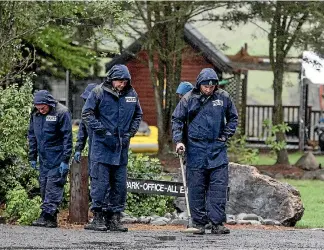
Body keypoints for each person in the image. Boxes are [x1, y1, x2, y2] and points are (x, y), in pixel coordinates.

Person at [172, 68, 238, 235]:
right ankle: (199, 223)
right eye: (205, 86)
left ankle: (217, 223)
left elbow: (233, 118)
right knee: (196, 188)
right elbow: (177, 120)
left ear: (216, 85)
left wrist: (225, 136)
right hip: (196, 149)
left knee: (218, 188)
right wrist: (179, 141)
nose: (208, 89)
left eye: (212, 86)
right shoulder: (188, 99)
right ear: (199, 84)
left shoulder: (223, 97)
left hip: (217, 148)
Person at [82, 64, 143, 232]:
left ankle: (114, 218)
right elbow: (87, 114)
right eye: (119, 81)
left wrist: (130, 132)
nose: (122, 85)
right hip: (102, 147)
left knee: (119, 186)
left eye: (124, 81)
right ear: (111, 79)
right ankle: (98, 217)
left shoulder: (132, 94)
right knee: (100, 184)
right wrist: (101, 131)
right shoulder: (98, 92)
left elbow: (138, 114)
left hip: (121, 148)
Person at [28, 90, 72, 228]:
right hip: (43, 158)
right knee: (44, 187)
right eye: (38, 107)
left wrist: (65, 159)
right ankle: (50, 218)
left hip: (57, 157)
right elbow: (32, 136)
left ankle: (46, 215)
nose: (41, 110)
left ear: (49, 103)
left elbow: (67, 137)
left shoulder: (61, 113)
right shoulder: (35, 114)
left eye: (43, 107)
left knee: (53, 186)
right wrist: (32, 156)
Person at [74, 83, 97, 171]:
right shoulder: (86, 114)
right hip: (93, 153)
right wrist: (78, 149)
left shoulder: (105, 113)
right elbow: (82, 132)